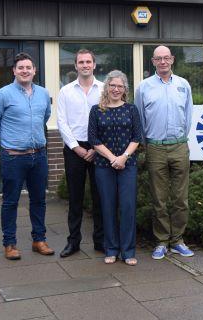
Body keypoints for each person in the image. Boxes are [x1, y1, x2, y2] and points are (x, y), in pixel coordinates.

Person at [0, 52, 54, 260]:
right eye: (20, 68)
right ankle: (10, 243)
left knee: (39, 200)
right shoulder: (2, 95)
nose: (25, 71)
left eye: (28, 67)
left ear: (35, 70)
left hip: (39, 156)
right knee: (10, 202)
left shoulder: (43, 93)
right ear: (14, 71)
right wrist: (9, 140)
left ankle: (39, 240)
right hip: (13, 157)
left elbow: (46, 116)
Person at [135, 45, 194, 259]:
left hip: (179, 145)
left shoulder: (183, 85)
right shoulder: (143, 87)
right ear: (152, 62)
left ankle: (177, 240)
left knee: (181, 198)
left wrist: (180, 138)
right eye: (158, 59)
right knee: (159, 198)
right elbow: (140, 118)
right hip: (155, 147)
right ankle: (161, 241)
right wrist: (147, 143)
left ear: (172, 60)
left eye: (166, 58)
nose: (162, 62)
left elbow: (188, 115)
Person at [88, 70, 142, 265]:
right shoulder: (96, 110)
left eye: (120, 86)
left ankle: (128, 251)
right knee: (108, 207)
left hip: (128, 165)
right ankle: (111, 249)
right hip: (104, 165)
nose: (116, 89)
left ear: (125, 89)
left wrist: (124, 157)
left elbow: (137, 136)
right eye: (113, 85)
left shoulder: (131, 110)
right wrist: (113, 158)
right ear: (107, 87)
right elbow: (93, 139)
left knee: (127, 207)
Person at [57, 49, 104, 257]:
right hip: (73, 149)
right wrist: (76, 147)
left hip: (99, 149)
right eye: (81, 62)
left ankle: (100, 241)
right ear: (75, 66)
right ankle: (73, 241)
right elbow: (62, 122)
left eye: (88, 62)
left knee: (99, 197)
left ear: (94, 65)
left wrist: (95, 148)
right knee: (75, 198)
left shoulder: (104, 89)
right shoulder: (65, 91)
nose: (85, 65)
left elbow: (106, 121)